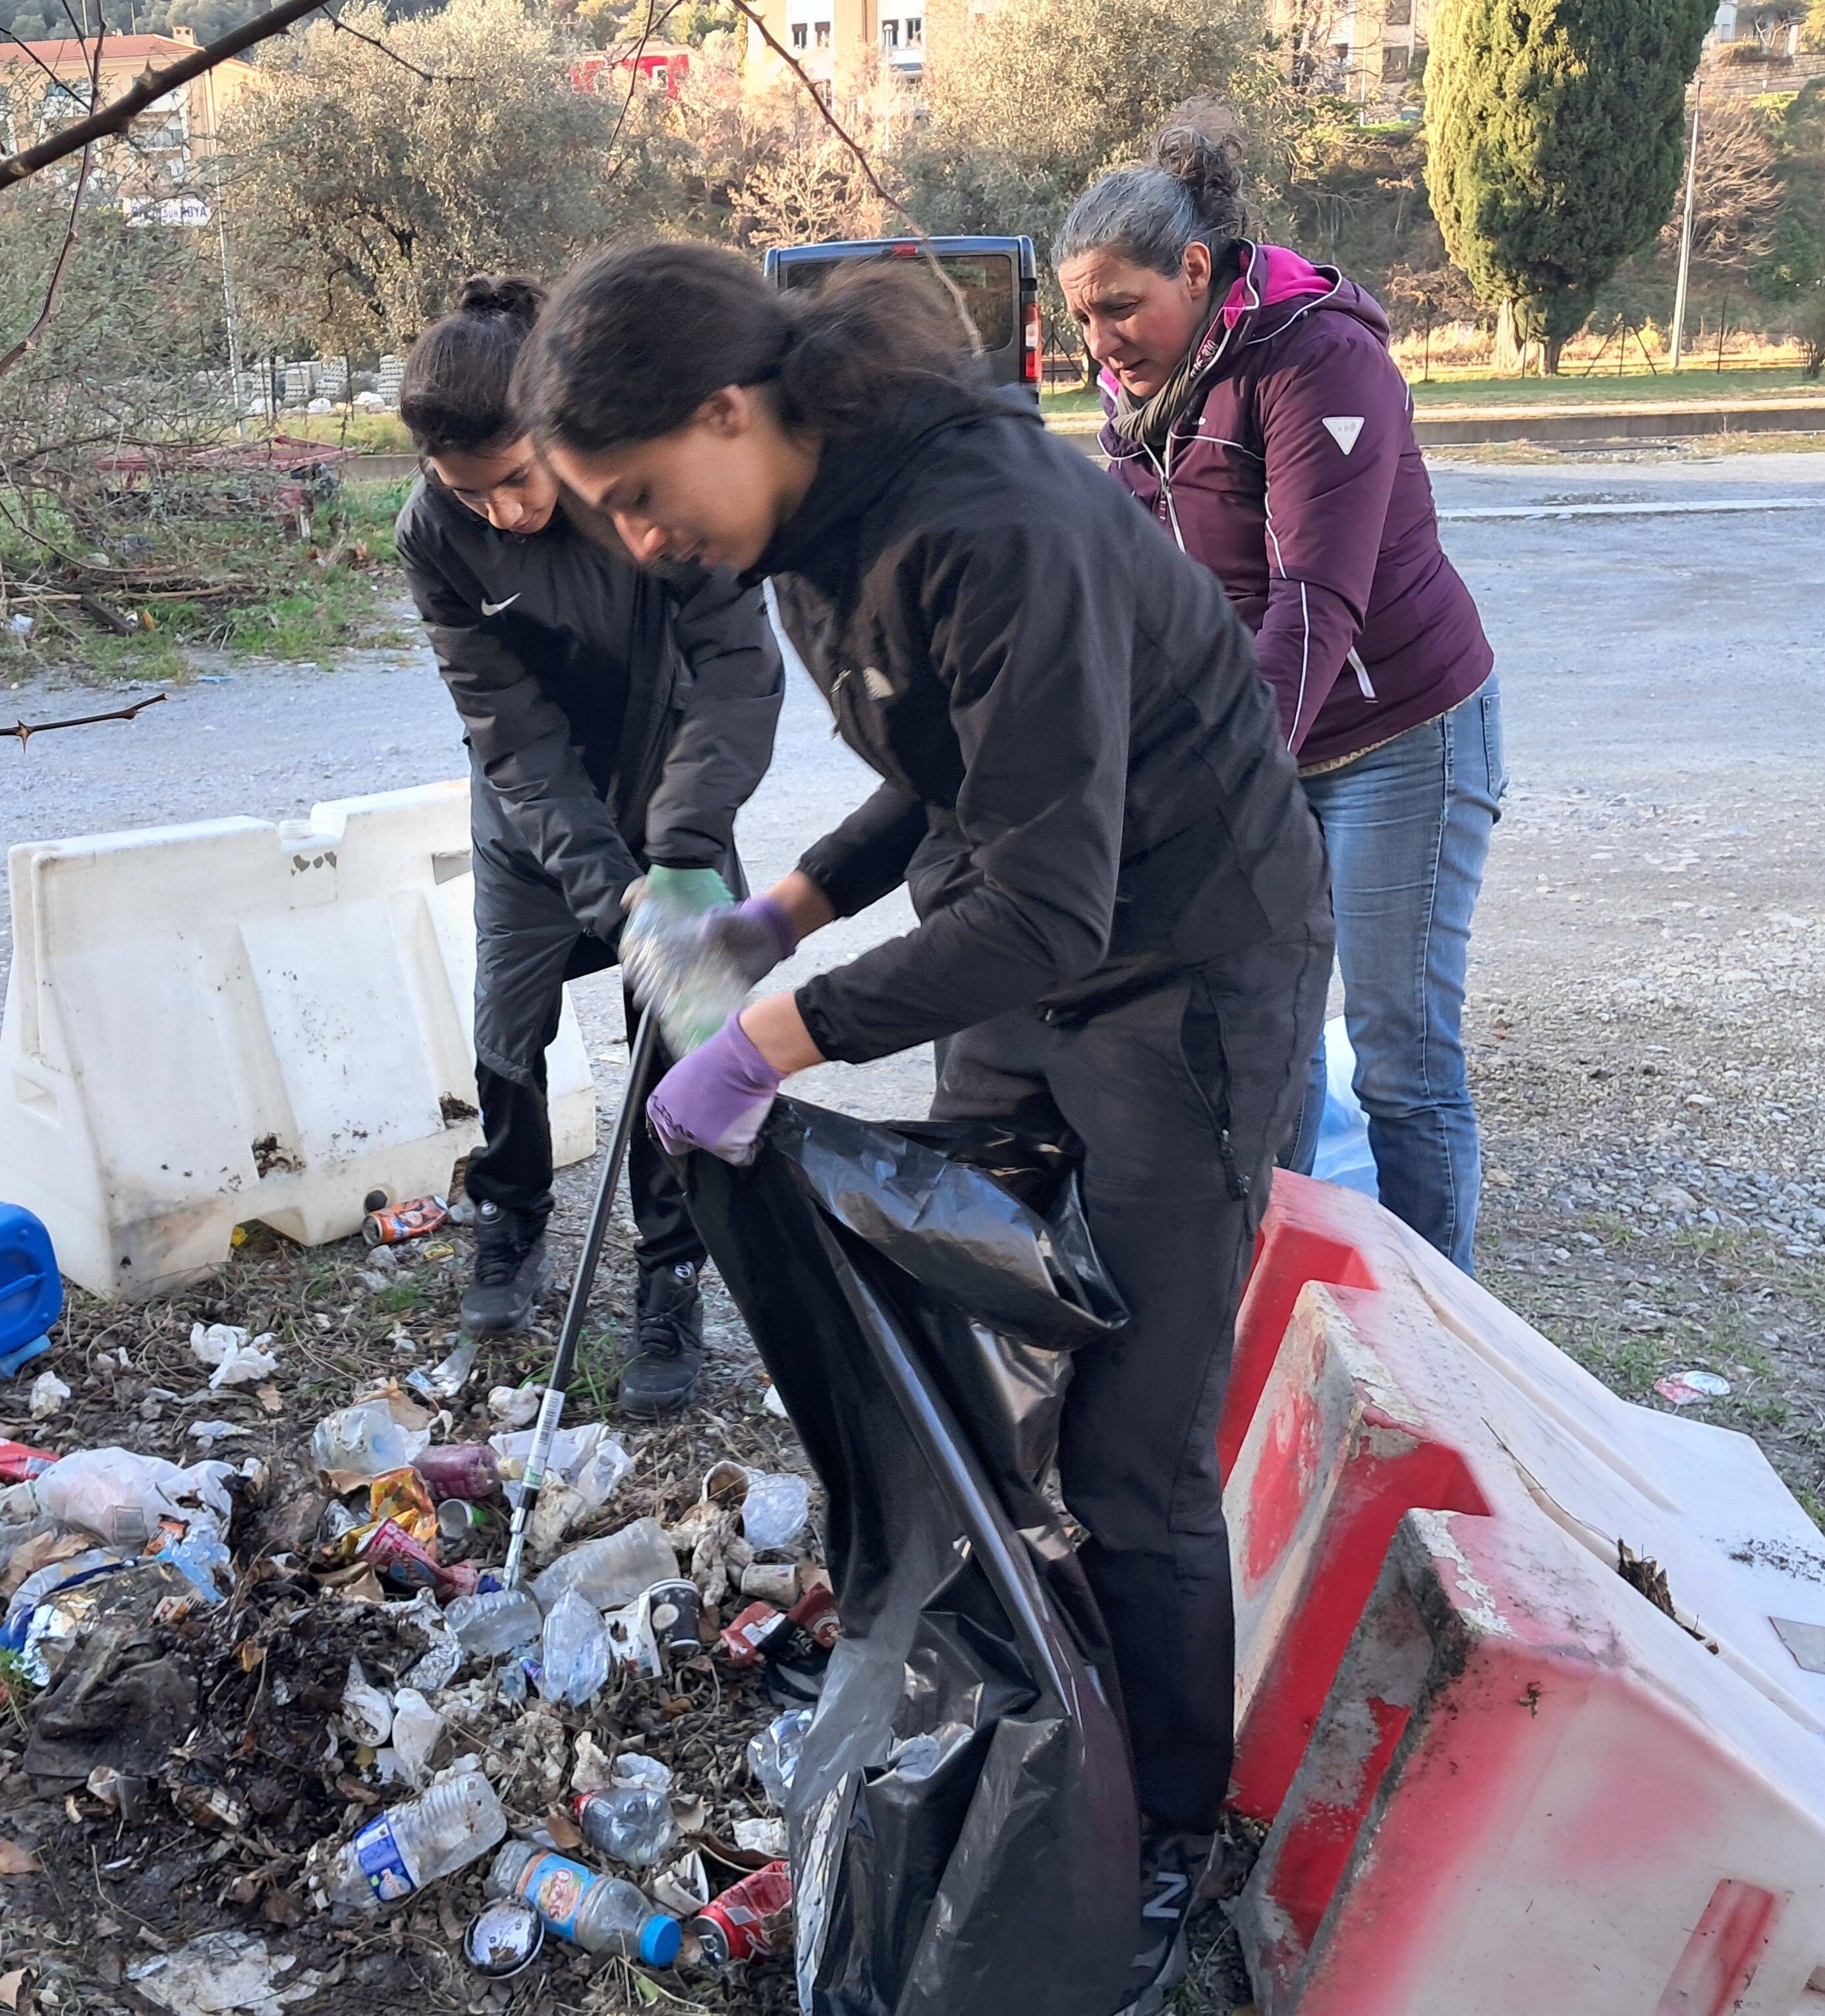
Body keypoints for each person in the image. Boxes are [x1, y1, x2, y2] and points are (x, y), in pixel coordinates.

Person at [513, 241, 1331, 2013]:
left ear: (733, 411)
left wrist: (772, 1036)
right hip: (1034, 937)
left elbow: (1046, 898)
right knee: (979, 1354)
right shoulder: (815, 519)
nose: (640, 542)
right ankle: (1005, 1690)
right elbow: (954, 762)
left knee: (1130, 1448)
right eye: (609, 513)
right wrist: (788, 909)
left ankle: (1170, 1842)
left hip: (1185, 966)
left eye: (644, 496)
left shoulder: (993, 520)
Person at [1056, 120, 1504, 1272]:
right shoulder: (1149, 386)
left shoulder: (1319, 359)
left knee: (1401, 1056)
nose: (1100, 343)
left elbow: (1315, 598)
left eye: (1121, 308)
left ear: (1195, 271)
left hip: (1399, 731)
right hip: (1266, 739)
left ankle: (1438, 1345)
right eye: (1083, 316)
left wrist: (1222, 784)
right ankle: (1288, 1303)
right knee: (1270, 1038)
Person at [393, 274, 783, 1416]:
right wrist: (609, 894)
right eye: (474, 496)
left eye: (520, 479)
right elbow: (512, 733)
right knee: (507, 1034)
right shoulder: (436, 535)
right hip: (536, 825)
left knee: (684, 1046)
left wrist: (682, 850)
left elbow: (740, 668)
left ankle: (671, 1276)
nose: (505, 512)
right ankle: (508, 1225)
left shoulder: (639, 483)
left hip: (680, 807)